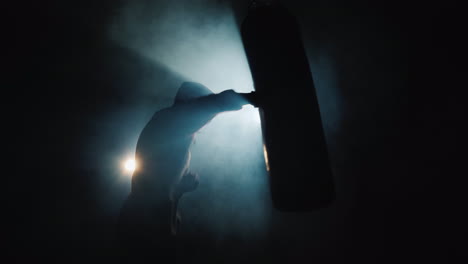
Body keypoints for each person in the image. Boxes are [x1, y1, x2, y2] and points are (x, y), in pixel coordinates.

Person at [115, 82, 251, 262]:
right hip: (143, 221)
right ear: (190, 103)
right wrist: (255, 98)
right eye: (205, 116)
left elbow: (162, 193)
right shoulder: (169, 122)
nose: (207, 123)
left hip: (147, 218)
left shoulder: (171, 129)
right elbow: (215, 103)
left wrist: (178, 191)